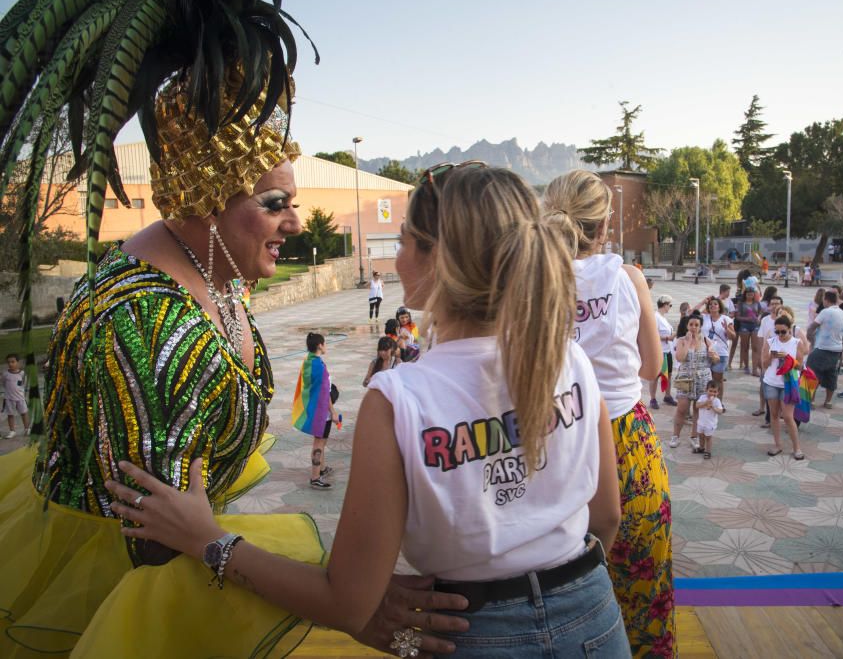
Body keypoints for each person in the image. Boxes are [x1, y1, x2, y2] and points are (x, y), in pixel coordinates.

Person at [0, 0, 466, 654]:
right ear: (206, 196)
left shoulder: (214, 274)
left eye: (294, 202)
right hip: (133, 605)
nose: (297, 222)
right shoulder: (144, 323)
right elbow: (158, 547)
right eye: (274, 203)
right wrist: (345, 602)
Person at [108, 164, 631, 657]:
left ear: (436, 260)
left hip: (472, 634)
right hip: (595, 617)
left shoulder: (400, 399)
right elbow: (605, 515)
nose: (396, 254)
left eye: (403, 239)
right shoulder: (572, 361)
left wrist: (209, 540)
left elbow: (348, 600)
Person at [543, 169, 674, 656]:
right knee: (643, 588)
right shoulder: (628, 278)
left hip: (557, 441)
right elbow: (653, 365)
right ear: (605, 225)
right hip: (626, 442)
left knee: (565, 586)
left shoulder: (535, 280)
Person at [292, 333, 336, 489]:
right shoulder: (319, 366)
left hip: (314, 407)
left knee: (321, 441)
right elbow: (325, 393)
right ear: (320, 345)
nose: (326, 346)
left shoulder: (308, 361)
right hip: (322, 411)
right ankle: (315, 477)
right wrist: (334, 413)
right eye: (325, 344)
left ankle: (322, 469)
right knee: (319, 442)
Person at [762, 315, 808, 459]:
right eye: (777, 332)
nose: (780, 335)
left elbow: (800, 366)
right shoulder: (770, 342)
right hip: (771, 382)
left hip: (788, 383)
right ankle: (777, 445)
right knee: (774, 415)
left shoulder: (797, 343)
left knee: (788, 417)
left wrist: (788, 358)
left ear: (790, 329)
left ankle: (797, 448)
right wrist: (772, 357)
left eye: (783, 332)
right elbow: (763, 364)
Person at [672, 315, 718, 450]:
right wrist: (687, 342)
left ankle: (694, 437)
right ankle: (676, 436)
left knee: (698, 410)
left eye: (696, 325)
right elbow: (680, 357)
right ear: (687, 325)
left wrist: (714, 356)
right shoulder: (681, 340)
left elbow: (716, 359)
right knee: (682, 409)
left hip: (703, 379)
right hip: (685, 378)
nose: (693, 327)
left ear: (700, 326)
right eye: (691, 324)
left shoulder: (706, 340)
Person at [807, 291, 843, 410]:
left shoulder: (825, 311)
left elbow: (812, 327)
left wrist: (811, 340)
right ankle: (828, 401)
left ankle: (811, 401)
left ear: (827, 300)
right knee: (831, 375)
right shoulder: (842, 312)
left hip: (822, 347)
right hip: (837, 350)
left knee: (812, 374)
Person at [701, 297, 736, 400]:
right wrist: (703, 302)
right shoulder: (704, 317)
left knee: (717, 379)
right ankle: (706, 400)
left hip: (720, 352)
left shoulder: (726, 319)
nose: (713, 306)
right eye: (711, 304)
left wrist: (726, 329)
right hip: (706, 352)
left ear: (719, 306)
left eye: (715, 304)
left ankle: (718, 401)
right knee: (706, 379)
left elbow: (733, 337)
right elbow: (691, 314)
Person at [651, 295, 677, 408]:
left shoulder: (663, 318)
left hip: (667, 351)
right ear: (665, 304)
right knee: (656, 376)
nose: (670, 307)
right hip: (659, 351)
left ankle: (667, 395)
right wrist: (667, 338)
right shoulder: (655, 317)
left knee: (668, 374)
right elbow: (653, 334)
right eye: (670, 305)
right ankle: (652, 398)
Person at [733, 288, 761, 373]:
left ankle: (755, 369)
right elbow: (737, 316)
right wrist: (746, 318)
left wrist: (759, 318)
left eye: (752, 294)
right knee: (745, 347)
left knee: (755, 347)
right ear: (745, 295)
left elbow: (760, 313)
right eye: (748, 294)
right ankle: (746, 366)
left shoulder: (757, 303)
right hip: (744, 326)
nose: (750, 296)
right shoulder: (741, 304)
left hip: (755, 325)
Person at [695, 380, 725, 459]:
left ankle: (708, 451)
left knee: (708, 437)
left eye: (715, 392)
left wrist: (713, 407)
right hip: (701, 422)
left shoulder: (717, 401)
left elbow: (720, 411)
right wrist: (705, 403)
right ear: (706, 390)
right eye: (710, 391)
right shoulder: (702, 397)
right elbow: (697, 405)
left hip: (710, 424)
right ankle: (701, 448)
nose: (712, 393)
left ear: (718, 393)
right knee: (701, 436)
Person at [2, 353, 29, 439]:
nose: (10, 364)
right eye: (9, 362)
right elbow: (3, 383)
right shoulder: (5, 374)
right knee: (10, 414)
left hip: (20, 398)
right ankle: (12, 431)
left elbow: (23, 384)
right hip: (9, 398)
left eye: (13, 362)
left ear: (18, 362)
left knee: (24, 413)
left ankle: (27, 429)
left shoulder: (22, 374)